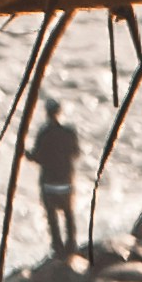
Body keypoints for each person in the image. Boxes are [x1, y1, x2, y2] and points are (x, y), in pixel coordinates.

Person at [38, 93, 85, 266]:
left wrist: (25, 154)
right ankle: (71, 245)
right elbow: (76, 153)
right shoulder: (69, 132)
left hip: (49, 184)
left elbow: (38, 156)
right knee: (68, 215)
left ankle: (58, 249)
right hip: (66, 182)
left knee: (52, 217)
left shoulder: (44, 134)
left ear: (47, 113)